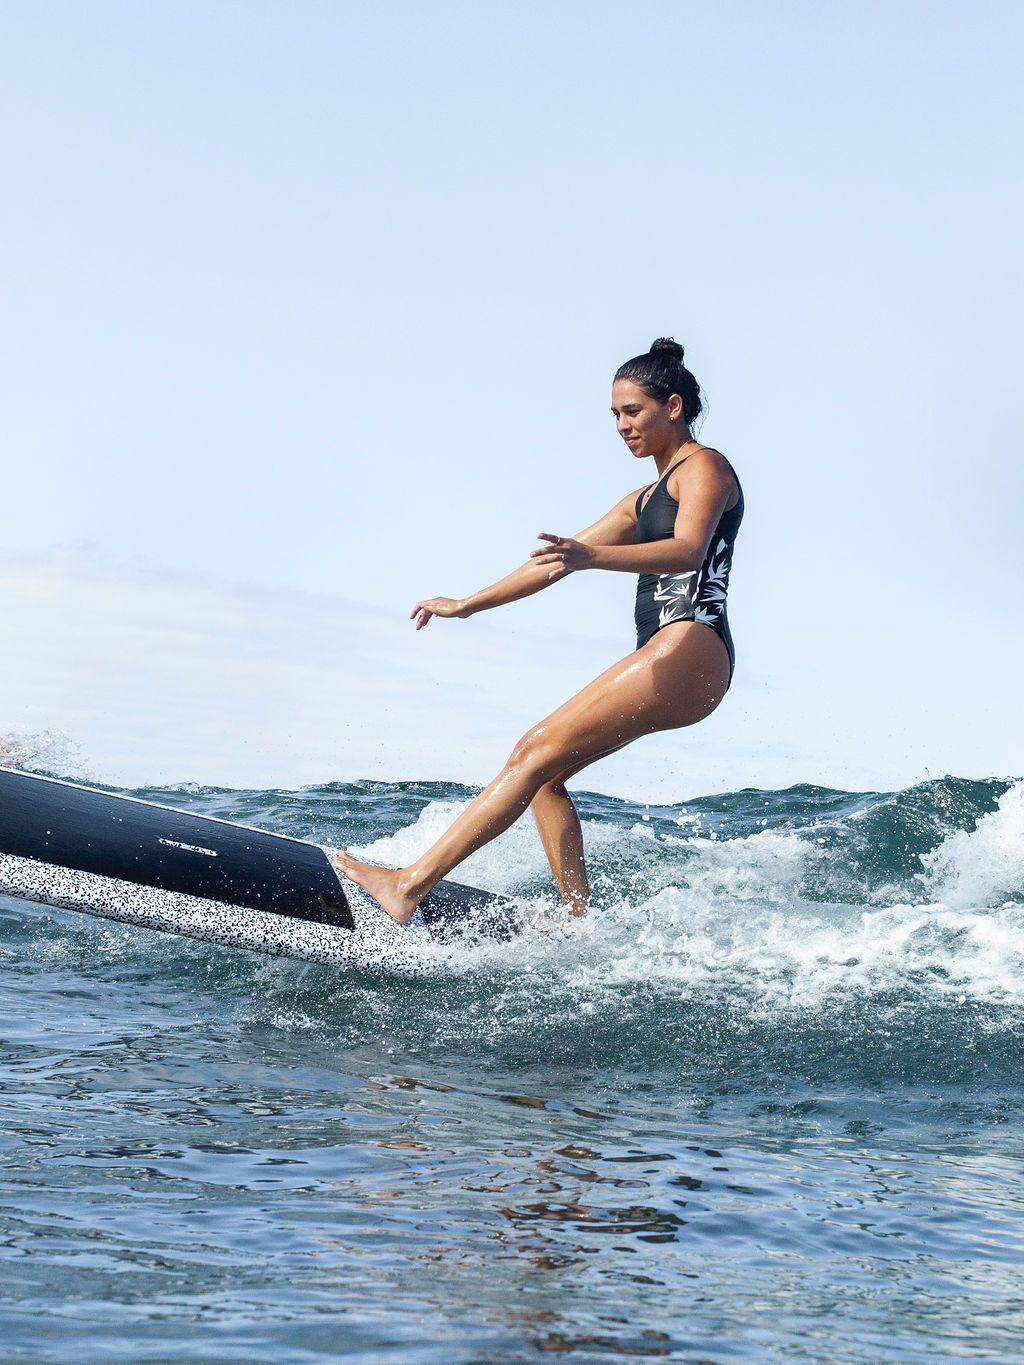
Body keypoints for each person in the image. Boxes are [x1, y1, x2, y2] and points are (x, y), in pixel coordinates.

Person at [334, 337, 744, 923]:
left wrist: (590, 559)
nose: (622, 426)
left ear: (673, 407)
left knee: (530, 750)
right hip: (673, 655)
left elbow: (686, 551)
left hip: (691, 642)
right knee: (546, 775)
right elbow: (553, 560)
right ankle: (579, 922)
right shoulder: (645, 496)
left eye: (633, 412)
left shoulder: (704, 467)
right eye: (614, 416)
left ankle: (408, 885)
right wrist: (469, 604)